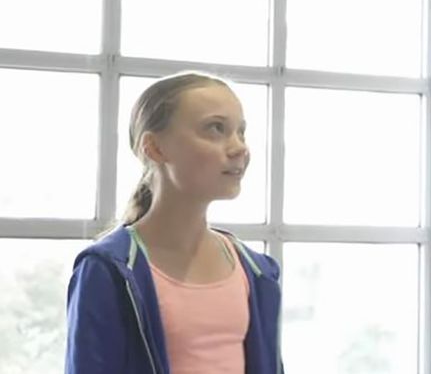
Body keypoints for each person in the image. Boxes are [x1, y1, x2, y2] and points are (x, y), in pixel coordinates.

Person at [65, 72, 284, 374]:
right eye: (216, 128)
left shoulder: (258, 271)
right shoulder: (108, 269)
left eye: (241, 132)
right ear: (154, 148)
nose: (240, 148)